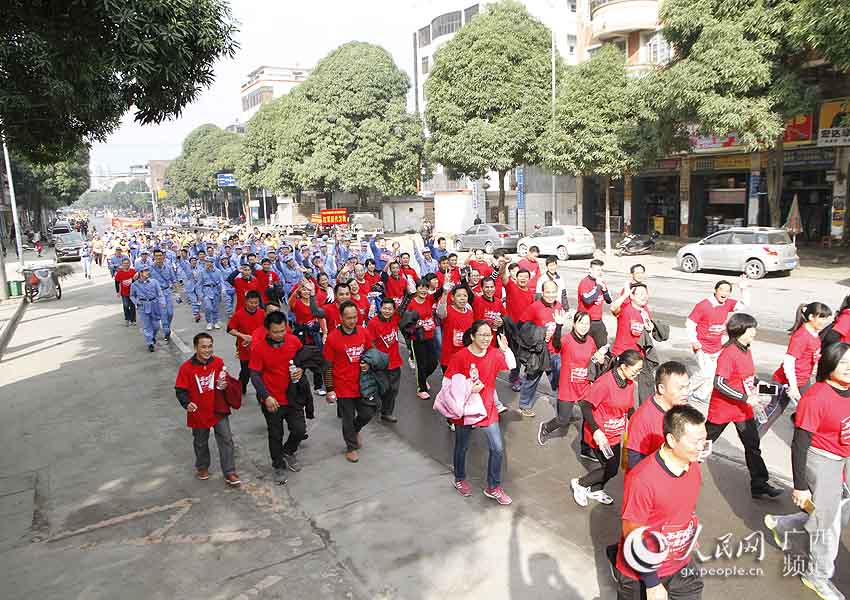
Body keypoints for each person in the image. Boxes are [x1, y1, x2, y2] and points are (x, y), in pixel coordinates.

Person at [764, 343, 850, 600]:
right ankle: (818, 575)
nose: (849, 368)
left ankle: (785, 525)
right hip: (821, 458)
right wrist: (800, 487)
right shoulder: (816, 398)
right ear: (830, 364)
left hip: (845, 455)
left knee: (840, 508)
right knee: (829, 522)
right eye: (844, 363)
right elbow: (799, 445)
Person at [613, 405, 707, 600]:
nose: (701, 448)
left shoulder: (694, 467)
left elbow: (687, 506)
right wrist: (652, 583)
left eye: (704, 440)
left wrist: (690, 530)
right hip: (641, 574)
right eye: (695, 442)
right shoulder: (642, 480)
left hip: (679, 566)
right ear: (672, 440)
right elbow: (633, 536)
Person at [706, 313, 783, 499]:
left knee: (752, 445)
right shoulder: (728, 353)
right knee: (702, 443)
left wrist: (775, 390)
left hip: (742, 411)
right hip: (723, 410)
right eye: (751, 329)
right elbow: (719, 383)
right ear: (740, 330)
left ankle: (759, 483)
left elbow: (750, 378)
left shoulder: (746, 349)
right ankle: (679, 468)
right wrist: (745, 398)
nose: (754, 333)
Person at [448, 320, 516, 505]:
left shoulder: (494, 354)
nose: (486, 339)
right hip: (465, 411)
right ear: (472, 336)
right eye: (482, 335)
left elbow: (511, 365)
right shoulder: (460, 357)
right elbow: (449, 384)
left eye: (489, 335)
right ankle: (460, 479)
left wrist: (505, 349)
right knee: (462, 447)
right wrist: (469, 388)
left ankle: (493, 487)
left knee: (498, 448)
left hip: (487, 410)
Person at [572, 349, 644, 507]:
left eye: (640, 370)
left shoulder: (630, 384)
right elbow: (585, 406)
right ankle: (580, 484)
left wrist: (638, 423)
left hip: (615, 435)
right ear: (624, 366)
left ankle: (596, 489)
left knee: (612, 468)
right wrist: (596, 431)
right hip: (600, 435)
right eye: (636, 370)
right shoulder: (605, 383)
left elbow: (629, 408)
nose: (638, 373)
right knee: (610, 468)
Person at [174, 332, 241, 486]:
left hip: (218, 408)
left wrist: (226, 386)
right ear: (196, 347)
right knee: (200, 441)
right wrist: (187, 403)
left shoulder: (218, 363)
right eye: (203, 347)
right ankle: (202, 467)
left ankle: (229, 472)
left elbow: (225, 380)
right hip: (198, 411)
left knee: (226, 439)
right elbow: (180, 389)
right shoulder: (186, 368)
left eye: (210, 346)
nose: (207, 350)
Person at [249, 311, 306, 483]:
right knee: (276, 434)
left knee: (299, 430)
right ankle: (278, 465)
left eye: (283, 330)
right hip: (272, 400)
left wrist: (301, 369)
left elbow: (303, 357)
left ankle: (288, 452)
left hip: (293, 396)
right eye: (276, 332)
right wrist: (266, 396)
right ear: (267, 330)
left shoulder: (293, 341)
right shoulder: (258, 347)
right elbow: (255, 375)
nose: (280, 335)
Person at [537, 310, 605, 453]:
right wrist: (559, 326)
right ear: (574, 324)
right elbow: (556, 345)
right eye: (581, 323)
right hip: (568, 387)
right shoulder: (567, 339)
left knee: (589, 417)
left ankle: (586, 447)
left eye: (587, 323)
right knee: (563, 420)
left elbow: (593, 359)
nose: (584, 326)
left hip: (584, 386)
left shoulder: (591, 341)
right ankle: (546, 427)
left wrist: (599, 358)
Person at [323, 301, 374, 463]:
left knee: (368, 413)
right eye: (349, 318)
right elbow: (327, 366)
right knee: (347, 417)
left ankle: (355, 429)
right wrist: (330, 389)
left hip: (362, 383)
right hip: (343, 385)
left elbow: (370, 352)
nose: (352, 321)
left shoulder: (363, 332)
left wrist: (368, 362)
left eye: (355, 317)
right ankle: (351, 447)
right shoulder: (332, 338)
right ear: (341, 318)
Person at [686, 278, 750, 403]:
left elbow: (744, 304)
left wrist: (744, 288)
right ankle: (685, 391)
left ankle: (700, 395)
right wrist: (693, 340)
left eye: (728, 291)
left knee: (714, 372)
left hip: (717, 346)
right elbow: (690, 323)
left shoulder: (727, 303)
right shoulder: (703, 305)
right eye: (722, 289)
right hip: (702, 346)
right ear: (715, 290)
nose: (724, 293)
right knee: (705, 373)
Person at [626, 361, 691, 469]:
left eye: (687, 387)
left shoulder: (679, 407)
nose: (686, 393)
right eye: (680, 388)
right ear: (661, 388)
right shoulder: (643, 419)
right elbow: (635, 462)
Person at [517, 280, 564, 418]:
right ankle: (525, 406)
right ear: (542, 292)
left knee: (558, 383)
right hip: (538, 354)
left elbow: (559, 329)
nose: (550, 295)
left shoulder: (559, 306)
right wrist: (541, 333)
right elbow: (521, 327)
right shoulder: (534, 308)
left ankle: (563, 412)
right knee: (531, 380)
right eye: (547, 292)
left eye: (553, 292)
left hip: (554, 352)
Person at [772, 302, 832, 407]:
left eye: (826, 318)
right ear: (811, 317)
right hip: (786, 382)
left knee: (807, 409)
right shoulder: (801, 336)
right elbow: (789, 361)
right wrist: (793, 387)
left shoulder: (814, 333)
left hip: (803, 380)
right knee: (773, 413)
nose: (824, 322)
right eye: (821, 318)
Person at [500, 257, 534, 391]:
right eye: (521, 276)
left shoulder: (531, 293)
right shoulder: (511, 287)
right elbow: (503, 276)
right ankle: (514, 378)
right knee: (516, 355)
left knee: (526, 355)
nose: (523, 279)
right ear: (516, 278)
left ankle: (522, 377)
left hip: (525, 329)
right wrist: (505, 264)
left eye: (526, 277)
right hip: (511, 327)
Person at [366, 298, 402, 422]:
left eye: (390, 309)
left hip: (395, 361)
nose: (387, 311)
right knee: (383, 387)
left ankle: (387, 413)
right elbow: (370, 342)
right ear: (380, 308)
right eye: (385, 308)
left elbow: (405, 305)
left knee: (393, 389)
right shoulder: (373, 323)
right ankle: (373, 403)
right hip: (381, 364)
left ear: (393, 310)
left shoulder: (395, 318)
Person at [405, 278, 439, 399]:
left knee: (434, 362)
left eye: (426, 287)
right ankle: (421, 388)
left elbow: (439, 293)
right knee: (421, 363)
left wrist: (445, 287)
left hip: (430, 336)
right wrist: (416, 325)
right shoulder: (411, 304)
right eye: (421, 287)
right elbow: (406, 323)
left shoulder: (429, 299)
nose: (424, 290)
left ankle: (423, 379)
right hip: (418, 338)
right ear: (417, 289)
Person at [227, 290, 266, 394]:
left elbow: (266, 329)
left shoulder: (262, 313)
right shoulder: (239, 314)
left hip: (259, 349)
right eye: (251, 302)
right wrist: (242, 336)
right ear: (246, 301)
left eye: (256, 303)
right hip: (244, 349)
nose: (254, 305)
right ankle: (241, 387)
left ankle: (262, 395)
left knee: (261, 372)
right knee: (246, 372)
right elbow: (230, 329)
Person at [577, 259, 613, 350]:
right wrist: (598, 287)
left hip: (598, 321)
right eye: (597, 270)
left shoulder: (601, 282)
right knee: (584, 349)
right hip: (585, 321)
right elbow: (588, 300)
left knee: (604, 349)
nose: (600, 272)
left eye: (601, 270)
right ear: (590, 270)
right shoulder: (584, 282)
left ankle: (602, 363)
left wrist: (604, 291)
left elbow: (609, 300)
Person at [611, 283, 653, 357]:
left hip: (639, 355)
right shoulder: (625, 309)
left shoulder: (645, 311)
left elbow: (646, 328)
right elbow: (613, 308)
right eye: (640, 294)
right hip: (623, 353)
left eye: (645, 293)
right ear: (632, 296)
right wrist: (625, 295)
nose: (643, 296)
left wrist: (650, 328)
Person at [130, 265, 165, 352]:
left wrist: (162, 302)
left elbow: (160, 293)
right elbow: (132, 295)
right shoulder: (135, 285)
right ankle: (150, 343)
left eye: (148, 270)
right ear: (140, 273)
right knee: (147, 326)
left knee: (156, 325)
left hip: (154, 304)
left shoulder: (154, 282)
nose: (148, 272)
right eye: (145, 271)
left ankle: (152, 336)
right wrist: (136, 303)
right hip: (143, 306)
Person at [150, 249, 178, 342]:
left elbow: (174, 280)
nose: (158, 257)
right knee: (163, 314)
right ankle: (166, 331)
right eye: (156, 256)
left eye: (160, 255)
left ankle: (167, 326)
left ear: (163, 257)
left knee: (170, 313)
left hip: (167, 292)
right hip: (156, 295)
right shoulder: (149, 268)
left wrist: (177, 294)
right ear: (153, 257)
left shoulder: (168, 267)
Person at [114, 258, 137, 326]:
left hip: (132, 293)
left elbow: (137, 281)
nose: (126, 265)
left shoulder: (133, 271)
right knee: (126, 306)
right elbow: (117, 282)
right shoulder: (119, 273)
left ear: (129, 264)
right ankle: (127, 318)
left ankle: (133, 320)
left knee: (132, 306)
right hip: (124, 293)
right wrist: (118, 292)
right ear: (122, 264)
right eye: (124, 263)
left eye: (127, 263)